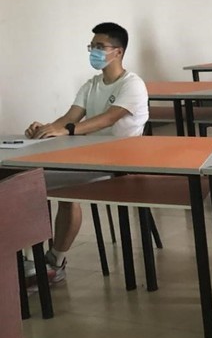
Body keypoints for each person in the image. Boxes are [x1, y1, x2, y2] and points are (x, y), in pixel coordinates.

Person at [24, 22, 149, 283]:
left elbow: (108, 118)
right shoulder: (91, 84)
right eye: (91, 46)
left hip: (120, 163)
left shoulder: (132, 85)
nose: (94, 51)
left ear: (118, 51)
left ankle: (54, 262)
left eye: (100, 46)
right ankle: (35, 259)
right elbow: (69, 118)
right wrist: (45, 129)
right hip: (88, 157)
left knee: (48, 184)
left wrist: (67, 130)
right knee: (28, 179)